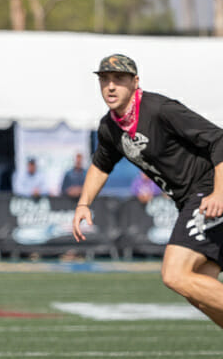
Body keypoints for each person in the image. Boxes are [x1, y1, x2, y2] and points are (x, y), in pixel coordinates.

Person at [73, 53, 223, 336]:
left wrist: (219, 192)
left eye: (119, 79)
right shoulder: (110, 127)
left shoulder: (159, 109)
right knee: (199, 292)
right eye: (105, 80)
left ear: (135, 82)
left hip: (208, 191)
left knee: (175, 274)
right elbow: (100, 164)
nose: (111, 86)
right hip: (190, 200)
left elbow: (219, 139)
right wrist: (84, 204)